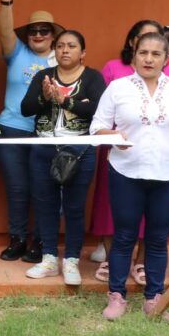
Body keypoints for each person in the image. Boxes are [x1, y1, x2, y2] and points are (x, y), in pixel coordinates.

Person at [92, 32, 169, 321]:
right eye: (143, 53)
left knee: (157, 237)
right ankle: (116, 296)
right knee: (124, 236)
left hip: (168, 172)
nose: (149, 59)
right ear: (134, 55)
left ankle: (154, 298)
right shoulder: (118, 87)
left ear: (166, 58)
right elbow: (97, 126)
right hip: (126, 170)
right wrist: (113, 136)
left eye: (156, 54)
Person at [20, 30, 106, 284]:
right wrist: (44, 98)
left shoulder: (93, 77)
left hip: (79, 151)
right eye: (60, 46)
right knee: (45, 205)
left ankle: (71, 261)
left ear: (83, 52)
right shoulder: (42, 76)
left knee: (74, 207)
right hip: (43, 149)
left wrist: (65, 101)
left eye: (71, 46)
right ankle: (48, 259)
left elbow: (98, 109)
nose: (65, 50)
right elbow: (26, 109)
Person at [0, 0, 60, 263]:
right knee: (18, 188)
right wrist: (7, 4)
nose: (38, 35)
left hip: (47, 132)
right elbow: (5, 33)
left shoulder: (62, 58)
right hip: (12, 127)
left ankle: (40, 241)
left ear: (53, 35)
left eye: (44, 31)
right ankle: (18, 238)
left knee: (44, 188)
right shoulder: (18, 52)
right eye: (33, 31)